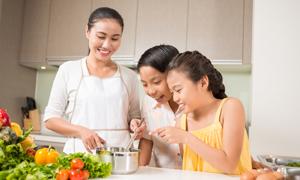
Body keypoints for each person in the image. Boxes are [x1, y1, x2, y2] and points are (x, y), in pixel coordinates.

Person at [43, 7, 145, 153]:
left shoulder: (129, 76)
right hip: (78, 157)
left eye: (115, 38)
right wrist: (81, 131)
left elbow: (134, 117)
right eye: (101, 36)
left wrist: (135, 125)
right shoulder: (68, 70)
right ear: (87, 32)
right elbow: (51, 120)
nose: (107, 45)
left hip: (118, 157)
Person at [151, 51, 252, 174]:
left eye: (178, 90)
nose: (175, 98)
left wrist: (186, 137)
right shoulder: (181, 123)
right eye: (172, 92)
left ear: (203, 82)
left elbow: (229, 165)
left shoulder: (230, 107)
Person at [137, 45, 182, 169]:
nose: (151, 91)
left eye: (156, 82)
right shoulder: (148, 102)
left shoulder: (193, 103)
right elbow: (147, 140)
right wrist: (140, 171)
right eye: (144, 84)